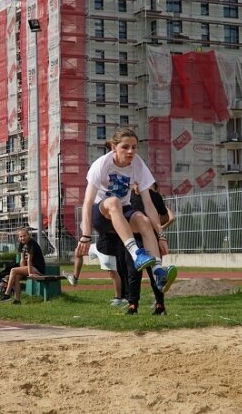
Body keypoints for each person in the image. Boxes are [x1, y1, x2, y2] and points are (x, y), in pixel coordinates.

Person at [76, 127, 177, 315]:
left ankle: (157, 273)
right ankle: (136, 253)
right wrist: (85, 236)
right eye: (125, 147)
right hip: (101, 212)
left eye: (134, 147)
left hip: (123, 213)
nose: (130, 152)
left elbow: (149, 204)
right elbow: (87, 201)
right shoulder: (102, 164)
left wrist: (161, 236)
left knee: (142, 218)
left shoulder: (138, 164)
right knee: (114, 201)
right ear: (114, 147)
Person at [130, 181, 176, 315]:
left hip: (151, 239)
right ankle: (133, 305)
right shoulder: (128, 198)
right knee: (133, 273)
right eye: (135, 182)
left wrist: (151, 226)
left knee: (156, 273)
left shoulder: (154, 196)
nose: (138, 185)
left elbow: (166, 216)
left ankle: (160, 305)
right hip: (135, 239)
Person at [0, 227, 45, 304]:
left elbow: (29, 260)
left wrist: (30, 273)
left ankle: (7, 294)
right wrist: (21, 271)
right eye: (21, 236)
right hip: (29, 268)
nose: (22, 238)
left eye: (24, 236)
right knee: (16, 276)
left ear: (28, 235)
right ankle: (17, 300)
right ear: (18, 238)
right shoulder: (21, 244)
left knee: (13, 270)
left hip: (37, 269)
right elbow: (22, 259)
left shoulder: (32, 243)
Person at [70, 240, 126, 306]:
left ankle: (118, 298)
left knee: (112, 273)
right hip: (98, 245)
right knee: (78, 251)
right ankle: (74, 278)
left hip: (107, 247)